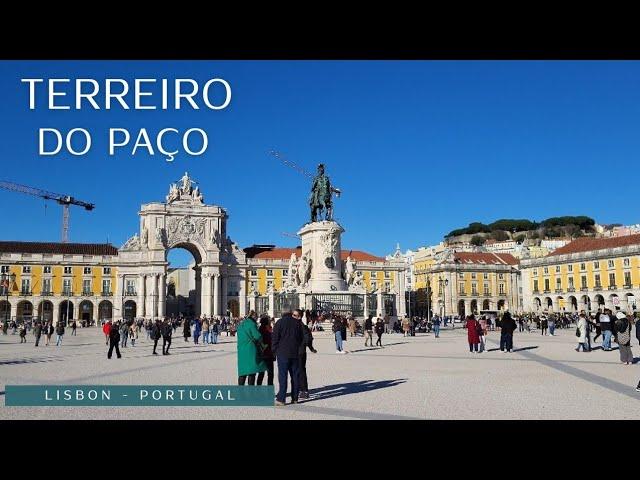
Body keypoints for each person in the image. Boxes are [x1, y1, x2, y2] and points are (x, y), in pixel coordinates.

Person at [272, 310, 303, 405]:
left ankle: (281, 398)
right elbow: (301, 338)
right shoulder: (298, 323)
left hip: (282, 353)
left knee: (283, 376)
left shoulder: (280, 322)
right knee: (295, 376)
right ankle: (295, 398)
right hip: (295, 353)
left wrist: (274, 351)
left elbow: (275, 338)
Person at [237, 311, 267, 386]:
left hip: (241, 350)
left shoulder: (241, 324)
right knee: (251, 372)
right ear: (254, 317)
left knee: (242, 373)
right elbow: (257, 336)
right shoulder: (252, 324)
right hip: (250, 349)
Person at [296, 309, 317, 400]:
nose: (292, 316)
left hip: (300, 352)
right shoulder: (299, 326)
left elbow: (308, 339)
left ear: (299, 316)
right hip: (296, 352)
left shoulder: (302, 326)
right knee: (297, 371)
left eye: (294, 315)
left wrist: (310, 348)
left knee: (300, 371)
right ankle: (299, 389)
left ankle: (304, 390)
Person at [257, 316, 274, 386]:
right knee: (270, 374)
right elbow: (269, 341)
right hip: (267, 354)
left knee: (261, 373)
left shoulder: (259, 329)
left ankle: (258, 389)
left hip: (263, 354)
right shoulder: (266, 330)